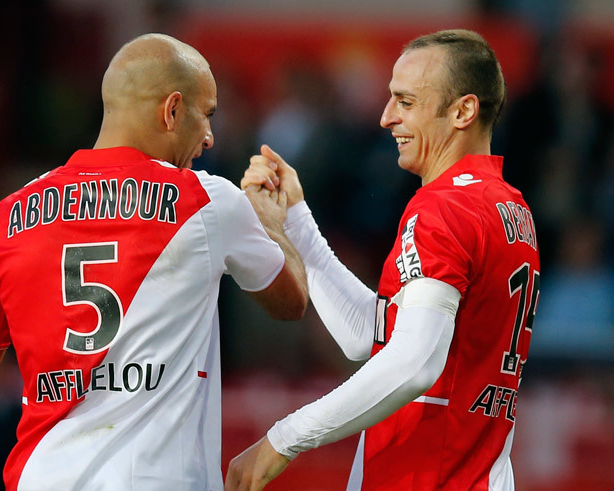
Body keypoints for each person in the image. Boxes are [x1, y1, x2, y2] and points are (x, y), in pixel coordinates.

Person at [0, 33, 308, 491]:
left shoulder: (7, 217)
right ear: (171, 110)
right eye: (206, 115)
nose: (209, 137)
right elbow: (291, 302)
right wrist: (273, 221)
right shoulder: (206, 201)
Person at [226, 29, 540, 490]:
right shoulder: (509, 207)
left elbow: (414, 361)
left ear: (463, 111)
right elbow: (371, 339)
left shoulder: (444, 208)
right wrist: (296, 219)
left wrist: (281, 440)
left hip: (427, 477)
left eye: (406, 102)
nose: (385, 118)